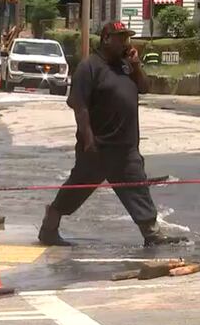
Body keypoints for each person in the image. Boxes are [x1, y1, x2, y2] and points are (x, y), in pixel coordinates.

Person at [38, 21, 188, 247]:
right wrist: (88, 139)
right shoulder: (89, 67)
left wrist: (136, 65)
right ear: (106, 38)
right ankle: (49, 228)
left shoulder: (126, 66)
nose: (125, 42)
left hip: (125, 146)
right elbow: (79, 105)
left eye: (127, 37)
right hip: (98, 146)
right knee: (77, 187)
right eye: (121, 38)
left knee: (137, 186)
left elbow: (144, 87)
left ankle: (151, 233)